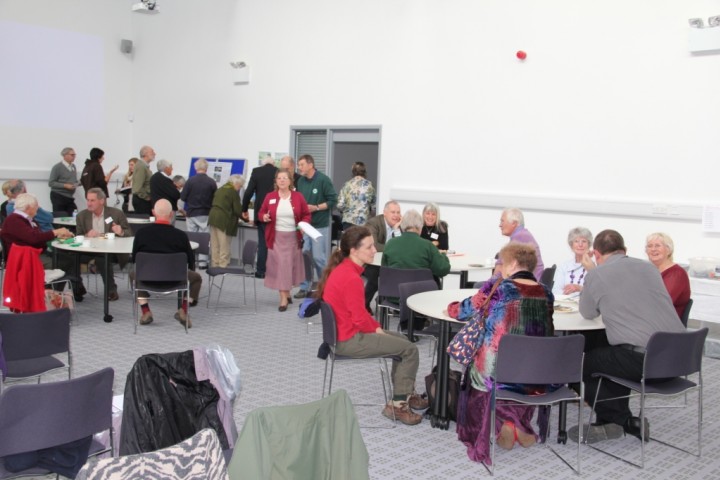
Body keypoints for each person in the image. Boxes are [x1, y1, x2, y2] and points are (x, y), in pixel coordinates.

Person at [579, 229, 684, 440]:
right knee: (612, 355)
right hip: (680, 356)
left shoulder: (597, 274)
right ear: (625, 250)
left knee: (584, 362)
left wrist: (592, 273)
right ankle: (610, 420)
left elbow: (588, 312)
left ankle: (623, 421)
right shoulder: (649, 268)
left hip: (646, 361)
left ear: (596, 254)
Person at [318, 226, 429, 425]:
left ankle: (404, 392)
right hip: (349, 340)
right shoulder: (351, 278)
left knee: (402, 340)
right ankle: (397, 406)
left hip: (343, 334)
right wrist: (377, 330)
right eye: (369, 247)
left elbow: (359, 315)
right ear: (354, 250)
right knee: (410, 349)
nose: (374, 251)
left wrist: (377, 328)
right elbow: (360, 318)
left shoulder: (343, 269)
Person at [455, 242, 554, 462]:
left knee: (477, 366)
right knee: (519, 363)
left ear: (514, 264)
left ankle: (504, 425)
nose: (501, 267)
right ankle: (517, 424)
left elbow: (468, 309)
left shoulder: (499, 288)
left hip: (499, 372)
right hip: (536, 372)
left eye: (504, 263)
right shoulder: (546, 292)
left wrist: (452, 308)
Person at [131, 199, 202, 328]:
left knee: (133, 275)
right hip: (176, 280)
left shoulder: (141, 234)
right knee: (196, 278)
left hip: (147, 279)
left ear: (153, 213)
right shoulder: (181, 236)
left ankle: (146, 311)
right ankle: (184, 309)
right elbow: (190, 263)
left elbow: (135, 259)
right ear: (171, 214)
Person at [0, 193, 73, 312]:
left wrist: (53, 237)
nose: (38, 208)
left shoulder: (26, 219)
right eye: (36, 206)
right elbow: (33, 238)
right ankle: (47, 294)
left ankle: (47, 293)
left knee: (65, 259)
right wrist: (54, 233)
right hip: (23, 260)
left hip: (32, 254)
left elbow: (36, 238)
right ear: (29, 207)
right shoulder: (14, 220)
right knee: (66, 262)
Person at [258, 169, 310, 311]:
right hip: (275, 237)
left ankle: (286, 293)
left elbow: (306, 214)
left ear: (290, 181)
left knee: (288, 267)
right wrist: (264, 217)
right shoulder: (270, 196)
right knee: (281, 266)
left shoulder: (298, 197)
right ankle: (283, 298)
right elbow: (261, 212)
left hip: (293, 238)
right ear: (276, 181)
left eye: (284, 178)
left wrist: (303, 224)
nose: (281, 180)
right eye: (279, 178)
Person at [75, 188, 132, 302]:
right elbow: (78, 236)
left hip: (111, 250)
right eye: (88, 200)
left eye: (92, 200)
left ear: (102, 201)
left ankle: (111, 290)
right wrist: (87, 235)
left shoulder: (116, 214)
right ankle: (78, 287)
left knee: (102, 258)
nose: (89, 203)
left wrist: (120, 232)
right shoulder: (82, 216)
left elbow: (129, 233)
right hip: (89, 250)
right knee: (71, 257)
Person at [294, 154, 337, 299]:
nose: (299, 167)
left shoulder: (323, 180)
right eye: (299, 165)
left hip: (319, 226)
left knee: (319, 258)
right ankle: (304, 286)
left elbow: (332, 201)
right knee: (304, 256)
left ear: (310, 165)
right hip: (305, 225)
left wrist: (317, 207)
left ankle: (324, 286)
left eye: (301, 165)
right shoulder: (300, 181)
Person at [381, 209, 451, 285]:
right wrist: (443, 256)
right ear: (420, 227)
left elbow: (384, 270)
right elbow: (443, 269)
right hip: (421, 294)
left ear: (402, 225)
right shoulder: (427, 246)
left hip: (394, 293)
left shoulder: (390, 244)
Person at [362, 200, 402, 311]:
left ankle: (388, 300)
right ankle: (364, 304)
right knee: (376, 275)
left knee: (402, 271)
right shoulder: (373, 223)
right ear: (385, 213)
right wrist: (394, 249)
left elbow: (402, 246)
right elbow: (374, 245)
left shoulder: (401, 224)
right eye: (393, 212)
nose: (396, 215)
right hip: (371, 261)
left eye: (398, 212)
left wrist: (397, 230)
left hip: (390, 261)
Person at [241, 156, 278, 278]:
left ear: (263, 164)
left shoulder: (257, 171)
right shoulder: (278, 172)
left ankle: (261, 271)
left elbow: (248, 192)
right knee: (276, 242)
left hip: (261, 213)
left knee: (263, 242)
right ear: (273, 164)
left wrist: (244, 209)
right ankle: (275, 271)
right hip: (277, 212)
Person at [181, 158, 218, 269]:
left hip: (191, 213)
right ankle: (202, 262)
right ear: (206, 168)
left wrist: (183, 210)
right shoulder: (211, 182)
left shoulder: (190, 181)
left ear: (196, 168)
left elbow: (183, 197)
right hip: (206, 213)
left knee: (191, 238)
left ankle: (190, 260)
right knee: (204, 238)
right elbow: (215, 199)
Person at [645, 232, 691, 319]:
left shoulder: (677, 274)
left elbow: (661, 303)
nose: (653, 249)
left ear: (668, 250)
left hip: (665, 323)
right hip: (649, 319)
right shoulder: (649, 271)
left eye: (657, 246)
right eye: (649, 246)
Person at [208, 174, 245, 268]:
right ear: (236, 183)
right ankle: (222, 264)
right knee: (224, 243)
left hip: (213, 217)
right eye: (240, 186)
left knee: (215, 243)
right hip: (223, 220)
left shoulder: (220, 189)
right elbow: (237, 210)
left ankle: (215, 263)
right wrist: (246, 219)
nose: (239, 188)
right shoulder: (232, 191)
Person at [498, 207, 544, 280]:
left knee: (478, 285)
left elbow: (501, 266)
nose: (500, 225)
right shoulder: (523, 234)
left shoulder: (520, 237)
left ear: (514, 223)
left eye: (502, 221)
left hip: (526, 283)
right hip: (530, 280)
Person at [552, 227, 593, 296]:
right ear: (571, 245)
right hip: (565, 304)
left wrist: (579, 288)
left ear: (589, 245)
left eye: (584, 241)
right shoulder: (564, 266)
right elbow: (555, 291)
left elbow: (596, 292)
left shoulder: (594, 267)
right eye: (576, 241)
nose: (580, 245)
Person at [336, 161, 376, 230]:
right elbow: (374, 207)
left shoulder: (347, 185)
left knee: (349, 240)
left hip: (348, 222)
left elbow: (340, 205)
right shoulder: (369, 185)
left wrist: (344, 212)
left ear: (353, 172)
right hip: (363, 222)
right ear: (364, 171)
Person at [48, 147, 79, 214]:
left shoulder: (73, 166)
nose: (74, 157)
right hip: (58, 196)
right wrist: (65, 185)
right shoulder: (57, 167)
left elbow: (73, 180)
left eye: (74, 155)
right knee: (60, 216)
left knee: (74, 214)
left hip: (69, 197)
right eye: (72, 155)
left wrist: (78, 183)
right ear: (65, 155)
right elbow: (51, 183)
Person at [132, 145, 155, 214]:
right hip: (142, 201)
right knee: (144, 222)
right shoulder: (141, 166)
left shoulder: (144, 166)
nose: (154, 153)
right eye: (152, 152)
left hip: (143, 200)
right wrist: (147, 197)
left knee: (149, 221)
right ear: (145, 154)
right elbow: (137, 187)